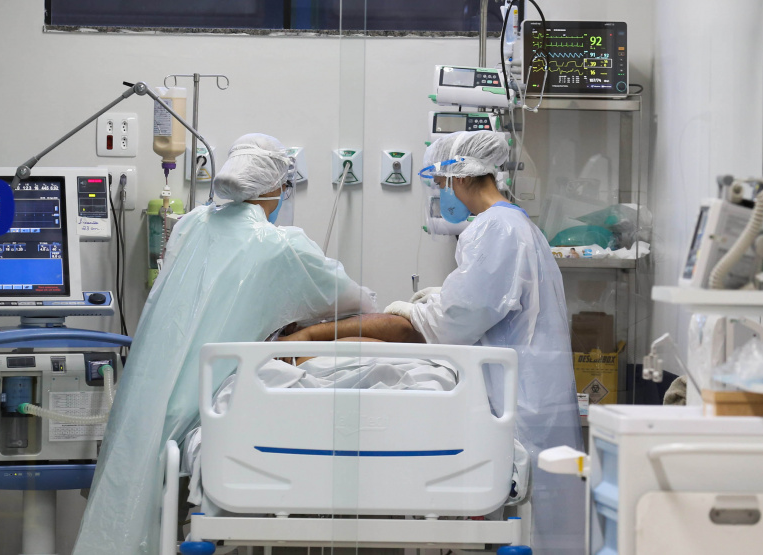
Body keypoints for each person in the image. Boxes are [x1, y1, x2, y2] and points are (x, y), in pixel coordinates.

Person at [72, 134, 376, 555]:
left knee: (132, 498)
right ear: (274, 187)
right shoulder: (280, 245)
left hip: (151, 390)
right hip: (205, 398)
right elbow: (357, 301)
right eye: (285, 186)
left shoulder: (191, 224)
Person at [385, 130, 584, 553]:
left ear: (459, 176)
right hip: (533, 391)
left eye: (442, 183)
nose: (442, 193)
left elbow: (458, 320)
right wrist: (440, 297)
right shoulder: (515, 224)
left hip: (519, 399)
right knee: (540, 517)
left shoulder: (496, 229)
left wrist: (411, 311)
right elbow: (488, 301)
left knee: (526, 519)